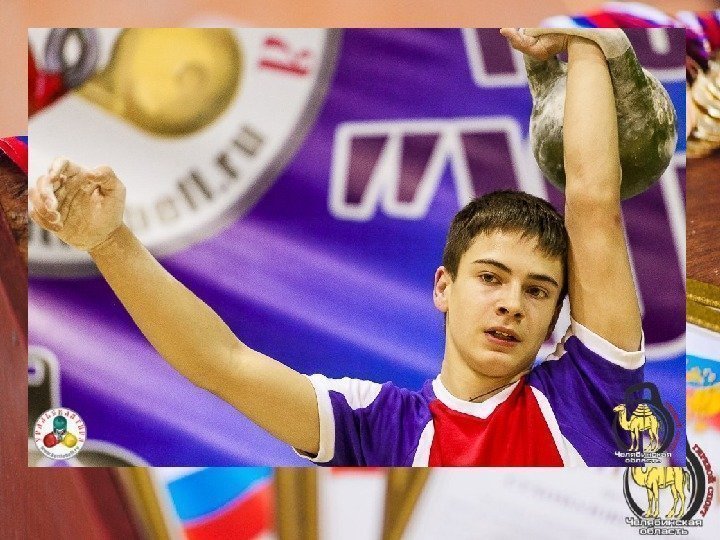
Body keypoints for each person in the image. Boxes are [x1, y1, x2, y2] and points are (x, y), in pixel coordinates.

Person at [29, 30, 645, 466]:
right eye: (490, 277)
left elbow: (592, 202)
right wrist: (109, 241)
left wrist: (586, 35)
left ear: (559, 314)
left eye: (538, 290)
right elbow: (220, 361)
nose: (512, 303)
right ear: (443, 286)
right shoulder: (377, 425)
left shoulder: (592, 395)